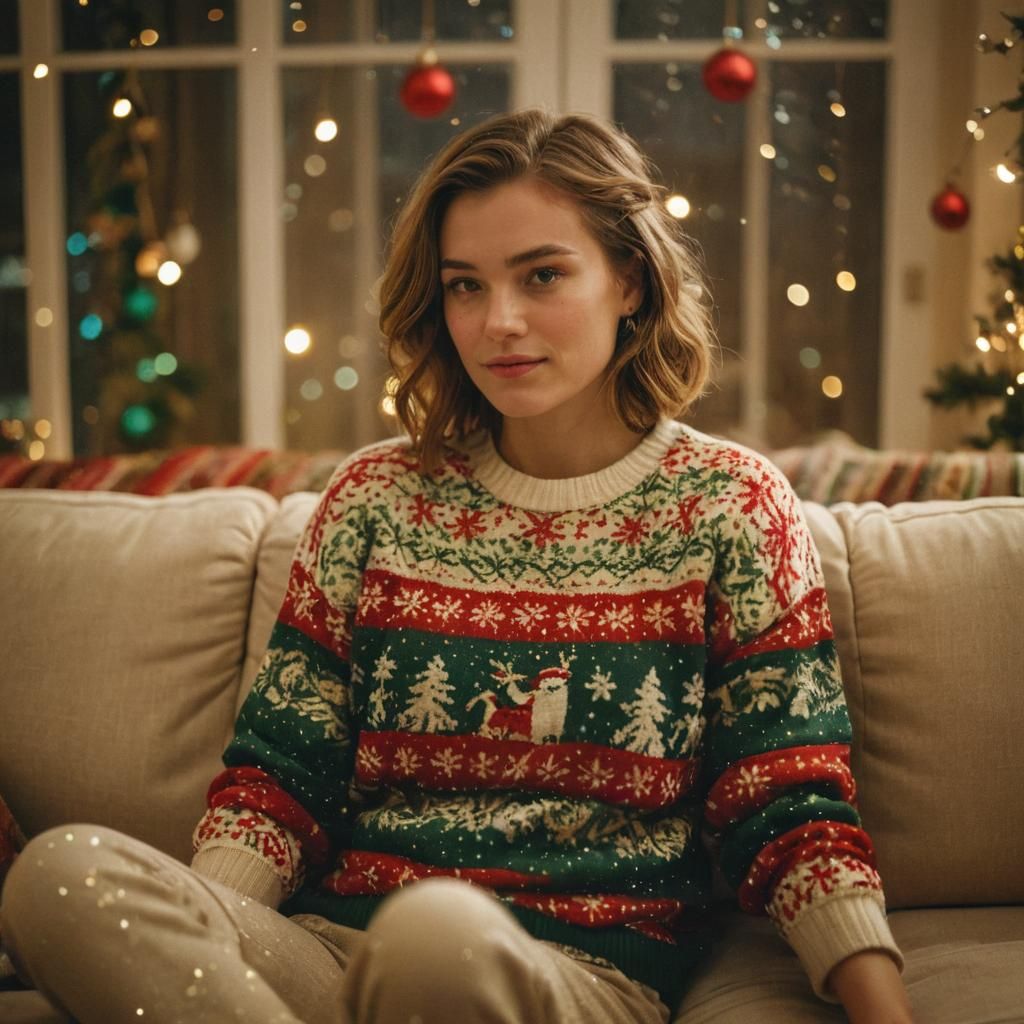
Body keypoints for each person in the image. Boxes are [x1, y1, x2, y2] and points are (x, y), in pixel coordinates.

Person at [0, 108, 914, 1024]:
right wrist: (215, 930)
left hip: (570, 976)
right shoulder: (373, 498)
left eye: (543, 275)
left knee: (437, 934)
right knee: (60, 875)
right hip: (332, 955)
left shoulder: (732, 503)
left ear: (630, 279)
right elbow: (280, 781)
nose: (499, 322)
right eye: (465, 286)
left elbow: (788, 805)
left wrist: (885, 1009)